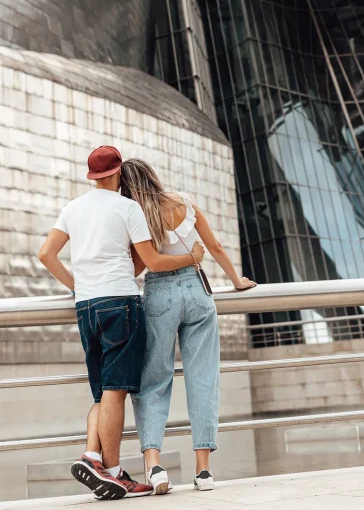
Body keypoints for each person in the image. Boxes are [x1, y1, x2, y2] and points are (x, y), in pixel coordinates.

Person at [39, 146, 206, 501]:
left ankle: (93, 455)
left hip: (86, 306)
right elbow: (152, 261)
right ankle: (113, 473)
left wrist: (77, 286)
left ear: (92, 175)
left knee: (102, 390)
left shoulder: (72, 208)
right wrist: (194, 256)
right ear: (117, 174)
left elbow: (45, 254)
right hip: (120, 303)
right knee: (116, 389)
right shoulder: (128, 208)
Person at [120, 158, 256, 495]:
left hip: (159, 295)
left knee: (153, 380)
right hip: (198, 293)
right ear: (153, 176)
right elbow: (215, 246)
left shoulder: (136, 215)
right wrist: (236, 280)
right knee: (203, 378)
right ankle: (204, 471)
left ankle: (154, 466)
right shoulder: (184, 201)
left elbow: (141, 265)